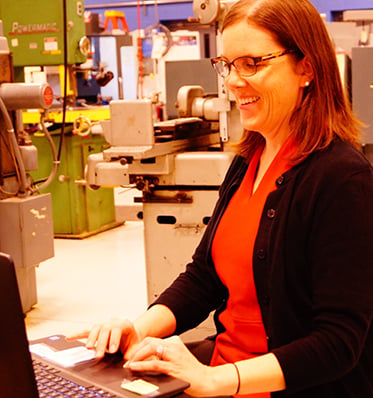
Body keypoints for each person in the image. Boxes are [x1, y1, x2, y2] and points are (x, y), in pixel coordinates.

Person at [69, 0, 373, 396]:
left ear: (307, 69)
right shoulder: (248, 161)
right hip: (222, 368)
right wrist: (137, 328)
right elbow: (204, 278)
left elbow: (338, 342)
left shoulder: (341, 179)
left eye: (252, 63)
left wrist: (214, 381)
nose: (232, 81)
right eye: (227, 64)